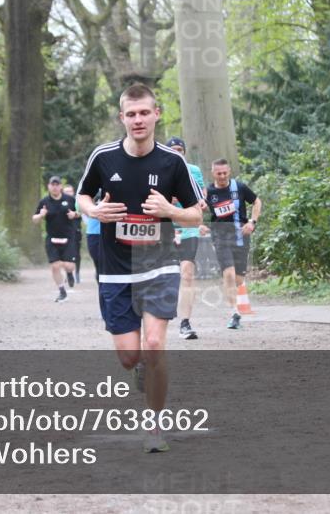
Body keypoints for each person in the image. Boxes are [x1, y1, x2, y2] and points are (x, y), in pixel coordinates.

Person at [76, 83, 203, 453]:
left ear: (156, 114)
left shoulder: (172, 162)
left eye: (144, 112)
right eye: (130, 114)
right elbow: (83, 195)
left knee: (153, 345)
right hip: (116, 269)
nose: (138, 120)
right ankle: (140, 369)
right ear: (122, 118)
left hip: (159, 264)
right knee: (130, 356)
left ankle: (154, 428)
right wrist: (94, 210)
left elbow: (196, 216)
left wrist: (170, 211)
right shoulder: (103, 157)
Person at [206, 159, 262, 330]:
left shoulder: (239, 187)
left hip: (241, 237)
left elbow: (257, 202)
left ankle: (233, 297)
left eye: (225, 173)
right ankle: (234, 313)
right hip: (220, 237)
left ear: (229, 171)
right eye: (218, 173)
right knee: (228, 274)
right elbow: (196, 208)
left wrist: (252, 222)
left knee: (238, 279)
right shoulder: (208, 191)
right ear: (213, 173)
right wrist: (199, 224)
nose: (222, 176)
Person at [165, 137, 207, 340]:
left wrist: (200, 202)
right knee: (164, 277)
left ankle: (185, 323)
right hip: (163, 229)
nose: (177, 152)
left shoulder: (194, 171)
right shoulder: (158, 169)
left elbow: (201, 197)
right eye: (173, 149)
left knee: (187, 274)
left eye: (180, 149)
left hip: (188, 229)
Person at [33, 176, 79, 302]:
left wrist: (74, 214)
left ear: (60, 187)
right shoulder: (44, 202)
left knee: (69, 266)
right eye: (52, 184)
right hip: (52, 238)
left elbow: (80, 212)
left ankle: (69, 273)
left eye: (57, 184)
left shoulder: (70, 199)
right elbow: (34, 219)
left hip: (68, 237)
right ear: (48, 186)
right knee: (55, 266)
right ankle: (62, 291)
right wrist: (41, 215)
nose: (54, 187)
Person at [63, 183, 83, 284]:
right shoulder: (61, 202)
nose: (68, 193)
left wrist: (74, 214)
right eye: (66, 192)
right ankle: (68, 274)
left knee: (76, 254)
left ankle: (77, 273)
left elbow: (82, 213)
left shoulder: (77, 202)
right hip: (64, 233)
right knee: (65, 254)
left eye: (70, 191)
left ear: (73, 192)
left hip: (76, 232)